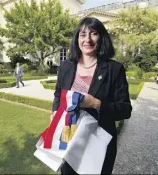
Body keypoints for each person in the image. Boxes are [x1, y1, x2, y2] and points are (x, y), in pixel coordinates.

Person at [52, 17, 132, 174]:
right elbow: (57, 95)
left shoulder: (114, 69)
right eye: (82, 34)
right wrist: (54, 114)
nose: (87, 39)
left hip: (98, 142)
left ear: (101, 37)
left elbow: (125, 109)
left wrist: (96, 103)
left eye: (93, 33)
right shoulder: (66, 67)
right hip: (69, 139)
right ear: (77, 39)